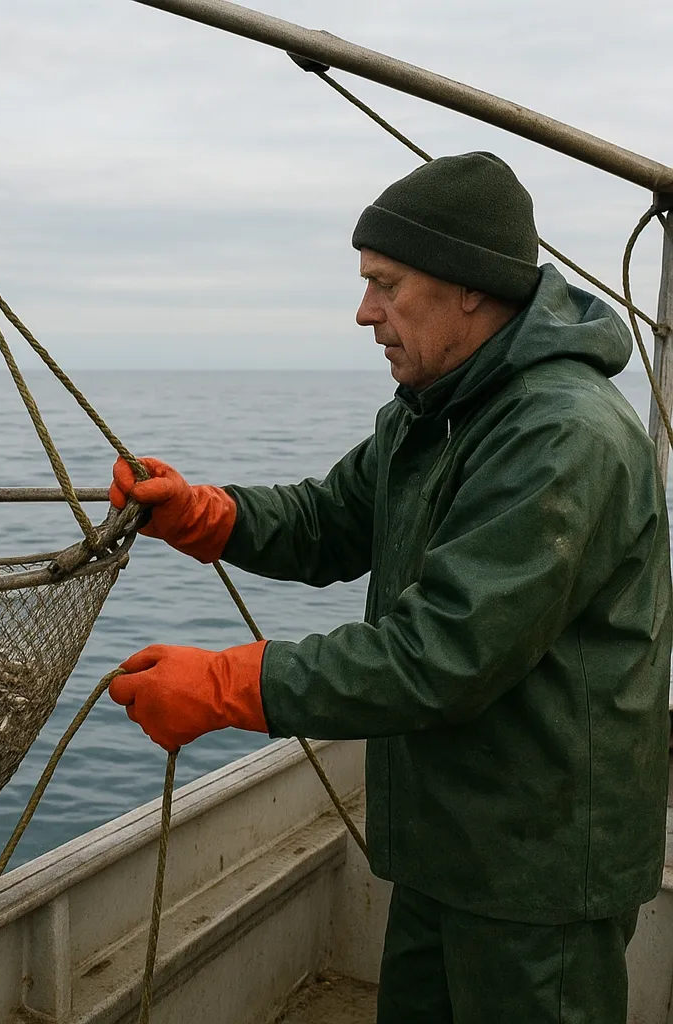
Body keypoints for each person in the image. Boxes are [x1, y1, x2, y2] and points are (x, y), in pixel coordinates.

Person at [107, 152, 672, 1024]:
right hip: (446, 842)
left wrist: (228, 686)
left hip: (540, 864)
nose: (364, 311)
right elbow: (332, 517)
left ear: (471, 287)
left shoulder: (563, 435)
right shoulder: (439, 408)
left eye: (386, 283)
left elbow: (442, 655)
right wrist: (205, 514)